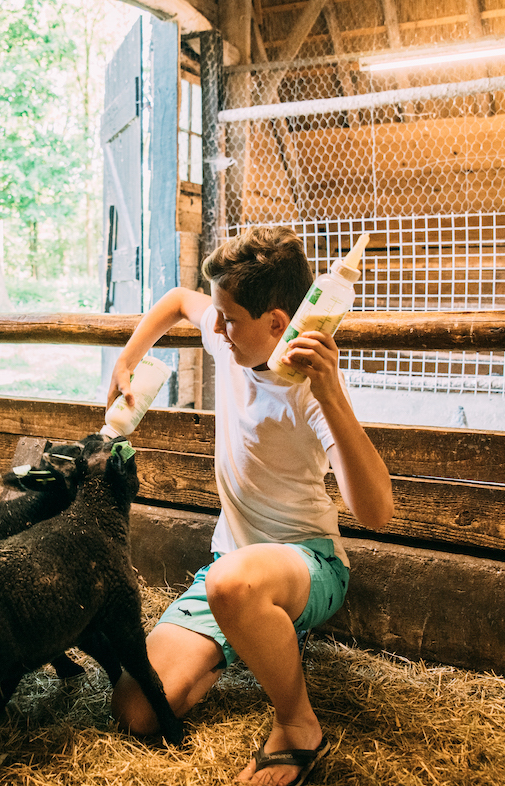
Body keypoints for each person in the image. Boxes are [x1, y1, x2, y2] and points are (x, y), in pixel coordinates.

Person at [109, 226, 394, 786]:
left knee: (233, 584)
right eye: (218, 314)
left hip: (307, 564)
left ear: (277, 324)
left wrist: (334, 397)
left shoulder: (311, 393)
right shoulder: (229, 338)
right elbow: (176, 303)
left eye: (229, 318)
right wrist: (126, 359)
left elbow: (377, 513)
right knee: (135, 711)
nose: (215, 328)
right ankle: (249, 634)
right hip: (233, 566)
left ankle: (297, 725)